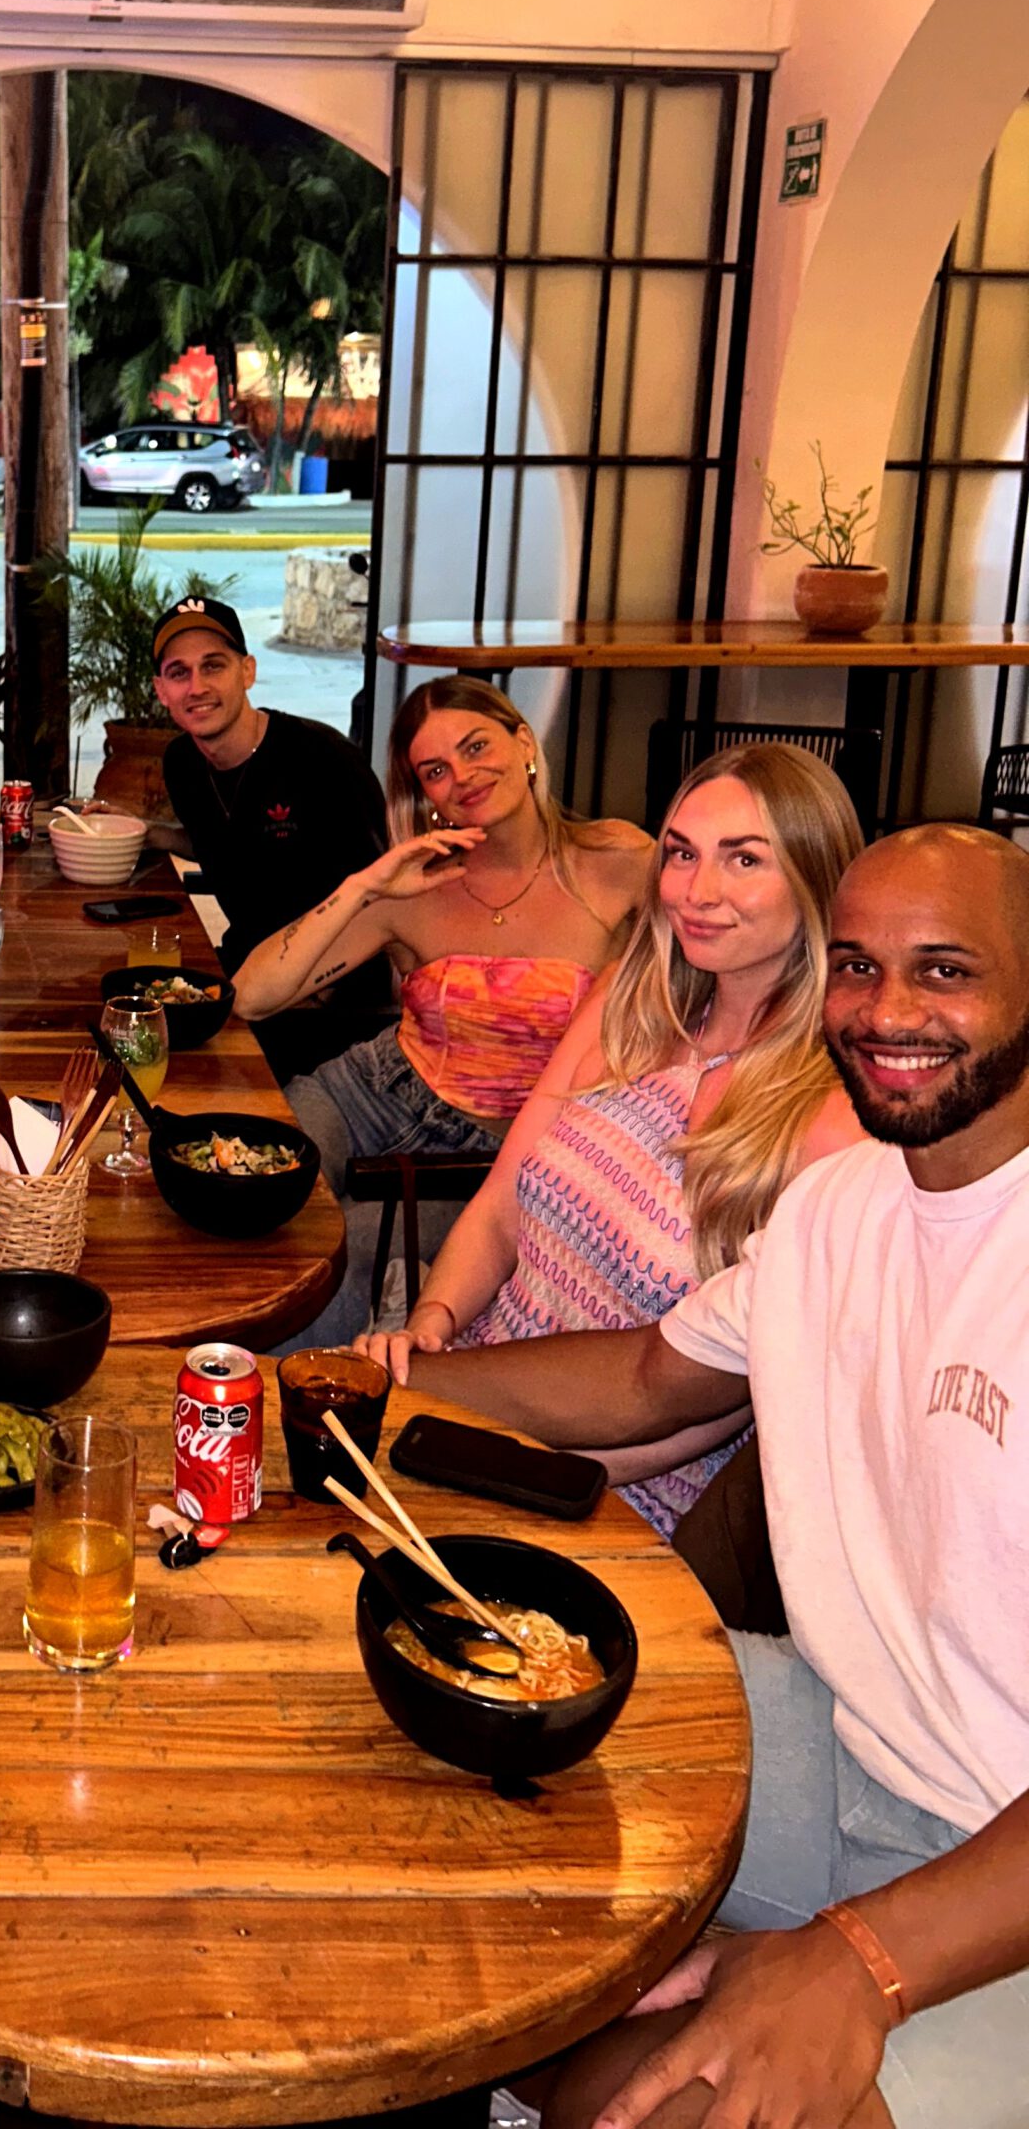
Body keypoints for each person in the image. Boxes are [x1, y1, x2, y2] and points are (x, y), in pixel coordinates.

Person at [402, 825, 1029, 2129]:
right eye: (856, 966)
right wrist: (381, 1390)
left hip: (998, 1870)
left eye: (944, 969)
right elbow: (645, 1378)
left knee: (656, 2109)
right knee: (447, 1702)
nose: (887, 1011)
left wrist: (863, 1961)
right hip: (844, 1736)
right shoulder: (842, 1205)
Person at [365, 744, 864, 1536]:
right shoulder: (627, 1006)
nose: (698, 892)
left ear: (816, 878)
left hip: (613, 1492)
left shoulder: (834, 1120)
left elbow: (726, 1403)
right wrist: (433, 1319)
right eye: (682, 854)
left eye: (744, 860)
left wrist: (496, 1455)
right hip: (468, 1393)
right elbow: (499, 1208)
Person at [240, 677, 651, 1337]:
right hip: (374, 1092)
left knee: (330, 1254)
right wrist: (364, 886)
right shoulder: (415, 888)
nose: (462, 776)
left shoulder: (618, 861)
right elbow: (253, 996)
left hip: (499, 1151)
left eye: (476, 746)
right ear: (424, 794)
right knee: (247, 1184)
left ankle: (298, 1391)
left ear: (524, 742)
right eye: (435, 770)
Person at [153, 595, 395, 1080]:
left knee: (179, 1067)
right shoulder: (182, 764)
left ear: (247, 671)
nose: (197, 687)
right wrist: (151, 835)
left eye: (213, 666)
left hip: (335, 1003)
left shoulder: (323, 759)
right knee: (128, 1015)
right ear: (162, 691)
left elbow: (383, 896)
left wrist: (308, 990)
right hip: (246, 970)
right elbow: (231, 844)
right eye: (180, 672)